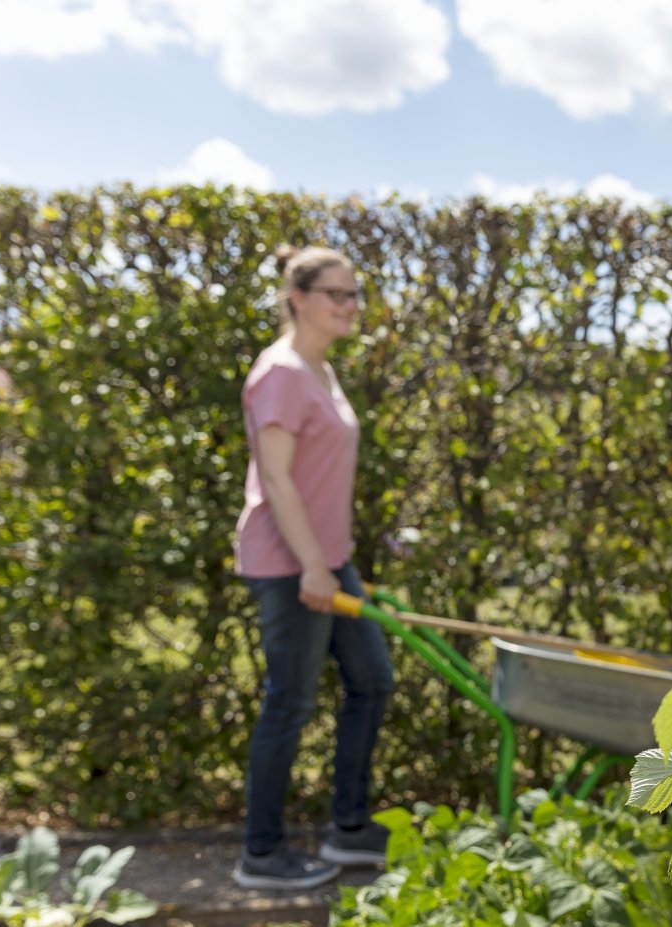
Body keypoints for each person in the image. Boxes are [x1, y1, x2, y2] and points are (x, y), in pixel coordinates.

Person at [232, 244, 395, 890]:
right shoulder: (279, 372)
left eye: (355, 294)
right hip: (289, 564)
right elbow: (275, 476)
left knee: (372, 679)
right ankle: (261, 853)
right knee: (290, 702)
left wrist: (335, 561)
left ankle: (348, 830)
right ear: (297, 297)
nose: (350, 305)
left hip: (329, 561)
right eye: (337, 294)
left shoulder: (319, 369)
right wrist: (311, 567)